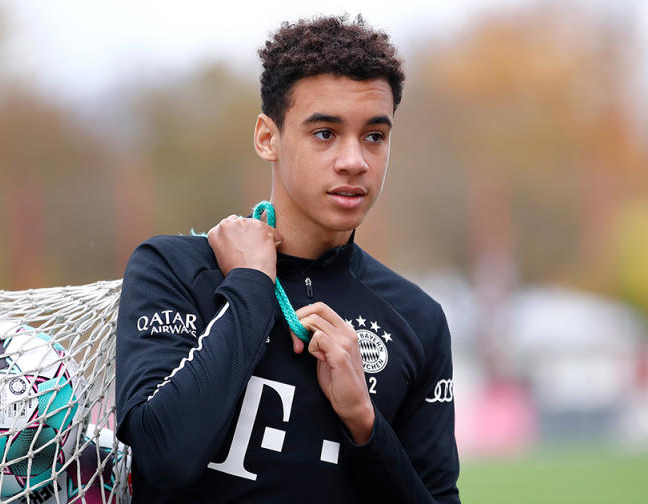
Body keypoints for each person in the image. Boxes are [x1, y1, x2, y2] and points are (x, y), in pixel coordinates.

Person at [115, 15, 460, 503]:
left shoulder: (417, 318)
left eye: (374, 136)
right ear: (267, 137)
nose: (354, 160)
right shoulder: (174, 268)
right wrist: (251, 290)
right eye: (324, 133)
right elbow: (161, 456)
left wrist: (364, 423)